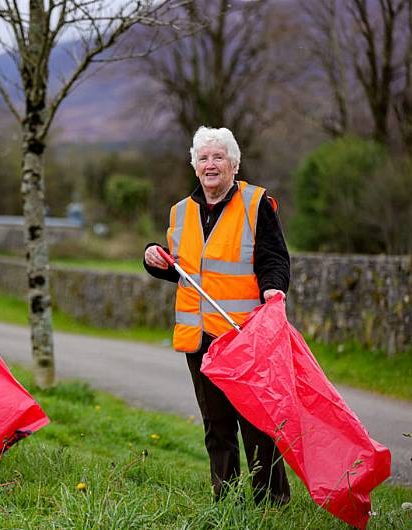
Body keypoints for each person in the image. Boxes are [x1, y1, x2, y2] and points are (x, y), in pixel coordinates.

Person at [143, 126, 291, 504]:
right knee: (217, 426)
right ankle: (226, 502)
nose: (211, 165)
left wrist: (274, 286)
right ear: (195, 167)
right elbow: (180, 267)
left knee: (257, 423)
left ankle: (271, 502)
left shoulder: (256, 203)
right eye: (204, 158)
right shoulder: (180, 211)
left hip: (245, 334)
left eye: (218, 157)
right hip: (201, 339)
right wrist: (154, 258)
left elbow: (274, 257)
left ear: (234, 164)